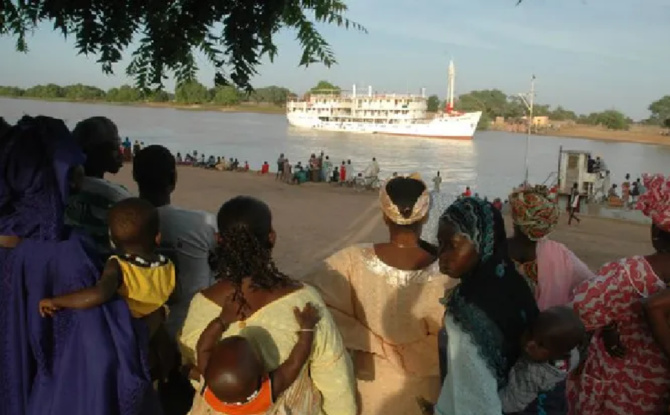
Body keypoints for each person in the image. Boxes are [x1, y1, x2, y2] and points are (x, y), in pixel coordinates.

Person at [0, 116, 157, 415]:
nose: (77, 179)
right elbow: (103, 352)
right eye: (69, 170)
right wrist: (154, 319)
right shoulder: (68, 253)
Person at [179, 196, 356, 414]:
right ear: (271, 238)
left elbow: (195, 359)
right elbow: (335, 381)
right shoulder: (304, 300)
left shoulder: (201, 304)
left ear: (219, 240)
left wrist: (222, 322)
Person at [302, 174, 455, 415]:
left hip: (368, 386)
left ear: (384, 216)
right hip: (425, 390)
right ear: (425, 216)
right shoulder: (448, 275)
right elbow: (454, 334)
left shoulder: (350, 260)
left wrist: (369, 341)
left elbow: (311, 298)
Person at [38, 197, 176, 379]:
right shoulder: (167, 264)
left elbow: (100, 293)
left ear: (111, 238)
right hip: (157, 332)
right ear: (157, 237)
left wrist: (58, 301)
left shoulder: (118, 265)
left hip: (129, 333)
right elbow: (175, 294)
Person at [567, 174, 670, 415]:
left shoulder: (629, 273)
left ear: (656, 231)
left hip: (620, 389)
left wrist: (610, 325)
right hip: (659, 391)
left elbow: (579, 310)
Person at [432, 197, 539, 415]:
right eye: (439, 244)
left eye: (452, 246)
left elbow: (473, 398)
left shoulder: (467, 310)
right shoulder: (515, 283)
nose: (441, 256)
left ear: (483, 242)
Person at [133, 145, 218, 337]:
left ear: (135, 176)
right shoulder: (202, 223)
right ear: (173, 179)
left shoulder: (121, 223)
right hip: (193, 329)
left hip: (142, 331)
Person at [189, 303, 321, 414]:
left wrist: (223, 319)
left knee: (193, 374)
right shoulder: (267, 393)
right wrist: (307, 328)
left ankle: (187, 371)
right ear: (263, 374)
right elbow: (295, 362)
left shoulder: (208, 389)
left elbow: (203, 347)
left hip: (218, 408)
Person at [508, 186, 595, 310]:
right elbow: (591, 283)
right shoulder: (561, 255)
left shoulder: (495, 249)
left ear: (515, 218)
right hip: (547, 326)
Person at [65, 116, 132, 258]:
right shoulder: (117, 199)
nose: (121, 153)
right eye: (115, 146)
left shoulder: (58, 190)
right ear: (96, 151)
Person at [499, 307, 585, 415]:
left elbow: (510, 403)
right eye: (530, 332)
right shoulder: (572, 355)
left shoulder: (533, 373)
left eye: (541, 345)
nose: (529, 344)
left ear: (558, 353)